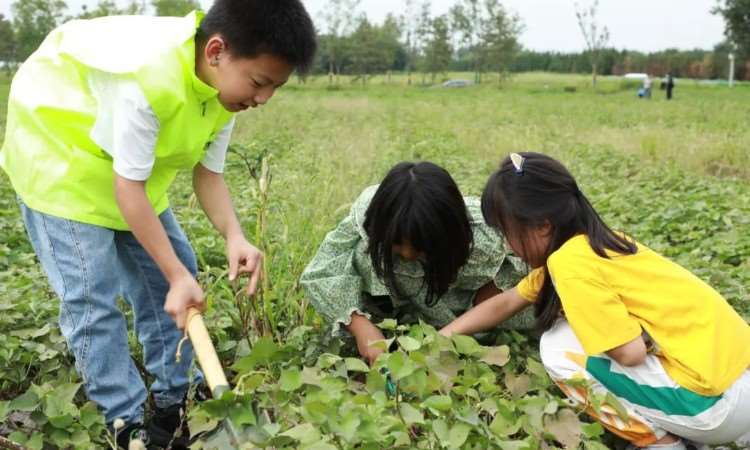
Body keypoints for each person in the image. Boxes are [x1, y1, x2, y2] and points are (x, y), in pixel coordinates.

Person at [0, 1, 316, 448]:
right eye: (260, 82)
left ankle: (173, 401)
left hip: (125, 171)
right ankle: (126, 423)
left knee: (174, 271)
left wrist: (234, 235)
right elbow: (128, 191)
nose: (263, 99)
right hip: (60, 162)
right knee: (93, 295)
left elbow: (208, 174)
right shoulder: (146, 80)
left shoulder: (222, 91)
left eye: (274, 87)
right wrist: (176, 278)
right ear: (216, 51)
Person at [440, 152, 750, 450]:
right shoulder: (600, 244)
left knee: (558, 349)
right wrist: (442, 337)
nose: (508, 244)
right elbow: (506, 303)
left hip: (717, 407)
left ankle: (660, 443)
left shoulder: (570, 264)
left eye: (508, 232)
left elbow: (631, 354)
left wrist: (594, 324)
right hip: (741, 382)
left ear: (543, 225)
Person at [300, 161, 530, 365]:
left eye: (421, 247)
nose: (408, 255)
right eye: (398, 244)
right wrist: (360, 326)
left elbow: (525, 275)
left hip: (461, 301)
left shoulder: (488, 234)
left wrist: (471, 322)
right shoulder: (369, 219)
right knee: (361, 250)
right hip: (399, 299)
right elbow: (322, 270)